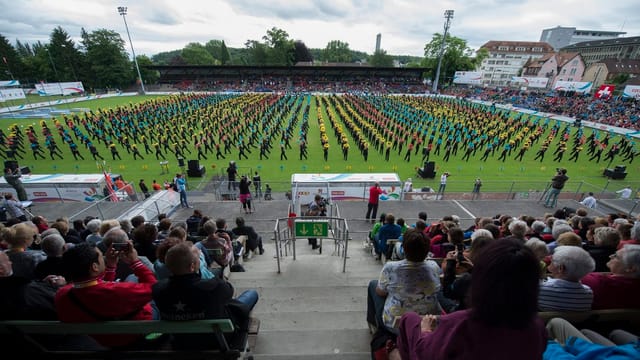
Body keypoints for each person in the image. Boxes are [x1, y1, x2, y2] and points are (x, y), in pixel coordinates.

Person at [395, 238, 547, 360]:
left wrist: (426, 331)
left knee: (409, 318)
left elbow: (425, 354)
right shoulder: (537, 328)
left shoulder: (457, 324)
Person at [152, 242, 259, 351]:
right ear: (192, 266)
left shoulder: (158, 289)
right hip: (218, 341)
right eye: (199, 258)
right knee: (251, 294)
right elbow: (229, 292)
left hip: (182, 342)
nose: (200, 260)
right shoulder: (213, 287)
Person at [55, 238, 157, 348]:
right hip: (130, 338)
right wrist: (135, 262)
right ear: (94, 267)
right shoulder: (117, 292)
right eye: (101, 256)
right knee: (155, 305)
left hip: (99, 339)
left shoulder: (62, 294)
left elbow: (98, 288)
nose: (104, 258)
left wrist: (111, 266)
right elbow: (155, 289)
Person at [366, 228, 442, 335]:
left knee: (373, 284)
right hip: (429, 323)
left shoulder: (391, 267)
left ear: (404, 249)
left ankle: (374, 325)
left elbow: (380, 292)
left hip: (396, 326)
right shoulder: (434, 266)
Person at [545, 317, 640, 360]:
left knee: (557, 322)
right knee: (587, 332)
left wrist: (548, 345)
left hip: (626, 353)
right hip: (630, 351)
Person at [580, 244, 640, 309]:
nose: (610, 256)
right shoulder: (635, 288)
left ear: (630, 268)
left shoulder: (598, 282)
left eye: (616, 256)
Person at [538, 246, 595, 311]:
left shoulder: (540, 288)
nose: (549, 264)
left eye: (552, 261)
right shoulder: (588, 293)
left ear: (561, 268)